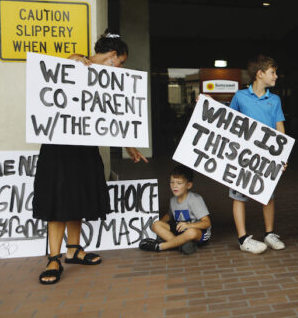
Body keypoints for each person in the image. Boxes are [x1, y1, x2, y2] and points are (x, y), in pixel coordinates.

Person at [34, 31, 148, 285]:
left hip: (84, 147)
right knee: (59, 199)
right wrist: (70, 59)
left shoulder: (108, 81)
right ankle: (53, 257)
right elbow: (52, 84)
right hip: (59, 146)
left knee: (78, 195)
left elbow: (111, 117)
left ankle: (73, 250)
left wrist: (127, 145)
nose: (121, 67)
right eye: (121, 61)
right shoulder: (74, 64)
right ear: (112, 55)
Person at [227, 55, 287, 253]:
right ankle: (243, 239)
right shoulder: (240, 97)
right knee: (238, 196)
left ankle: (269, 234)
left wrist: (282, 156)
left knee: (268, 196)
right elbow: (227, 124)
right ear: (260, 74)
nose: (276, 76)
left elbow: (280, 129)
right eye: (273, 72)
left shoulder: (275, 99)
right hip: (243, 156)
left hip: (267, 157)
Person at [140, 165, 212, 254]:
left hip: (197, 231)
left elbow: (207, 223)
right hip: (180, 230)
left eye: (179, 183)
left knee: (191, 232)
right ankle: (182, 244)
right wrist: (160, 227)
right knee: (156, 225)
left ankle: (160, 246)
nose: (174, 186)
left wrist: (189, 226)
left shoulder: (195, 200)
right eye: (172, 182)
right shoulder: (173, 200)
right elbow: (169, 216)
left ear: (188, 185)